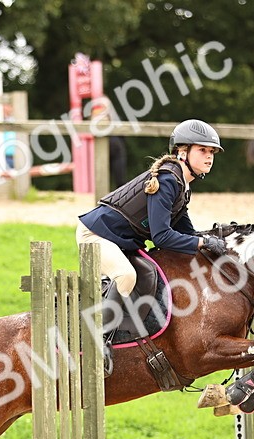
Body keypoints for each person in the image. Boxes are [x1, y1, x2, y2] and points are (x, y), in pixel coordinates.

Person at [76, 119, 227, 375]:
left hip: (120, 240)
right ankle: (97, 339)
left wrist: (211, 239)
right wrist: (202, 242)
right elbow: (162, 237)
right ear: (182, 151)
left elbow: (187, 233)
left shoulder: (182, 185)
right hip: (96, 235)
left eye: (211, 152)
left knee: (147, 273)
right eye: (203, 150)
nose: (209, 157)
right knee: (127, 275)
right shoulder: (168, 180)